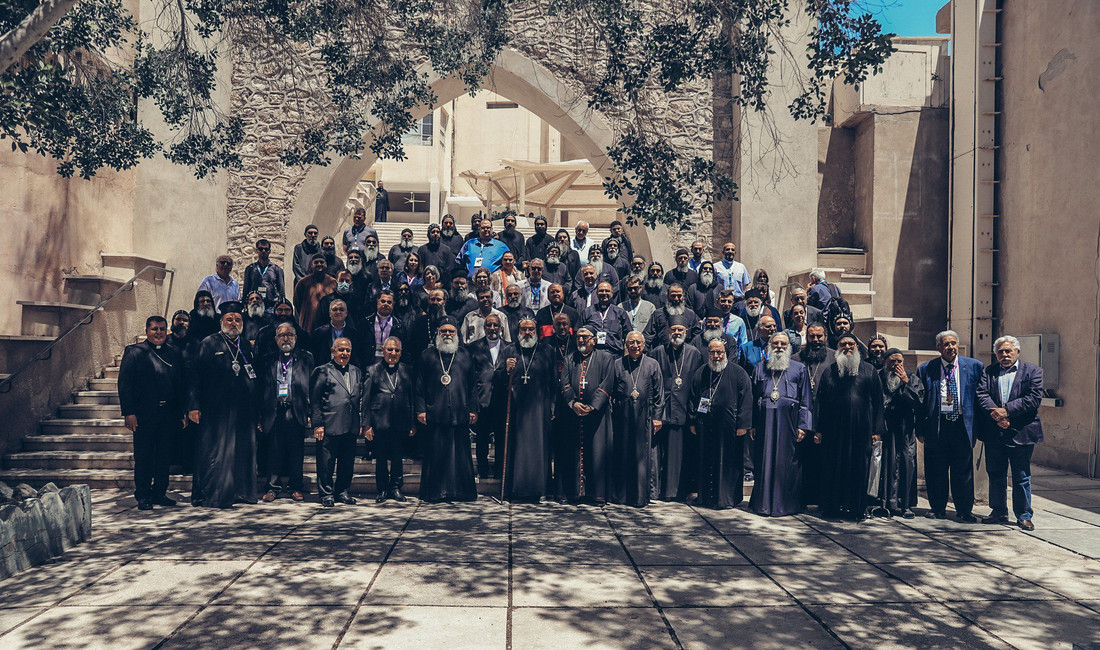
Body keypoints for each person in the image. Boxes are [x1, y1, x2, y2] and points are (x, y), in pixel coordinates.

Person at [187, 301, 259, 508]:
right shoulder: (209, 343)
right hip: (215, 410)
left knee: (241, 451)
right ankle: (213, 494)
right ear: (221, 321)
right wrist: (193, 405)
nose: (234, 323)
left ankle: (240, 492)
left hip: (242, 410)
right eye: (230, 319)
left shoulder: (245, 345)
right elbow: (195, 377)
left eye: (237, 319)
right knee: (216, 452)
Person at [815, 332, 885, 520]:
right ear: (837, 348)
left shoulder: (869, 370)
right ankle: (831, 508)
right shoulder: (830, 371)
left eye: (851, 344)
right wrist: (818, 429)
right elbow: (820, 402)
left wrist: (877, 431)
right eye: (843, 344)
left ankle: (856, 509)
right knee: (833, 468)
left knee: (858, 469)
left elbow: (878, 402)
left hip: (861, 431)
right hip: (834, 431)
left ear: (857, 347)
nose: (847, 347)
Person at [977, 335, 1044, 530]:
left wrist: (1006, 412)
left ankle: (1024, 515)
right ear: (996, 353)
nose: (1004, 354)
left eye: (1008, 351)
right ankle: (998, 511)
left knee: (1021, 475)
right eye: (1000, 351)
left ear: (1017, 352)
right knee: (995, 473)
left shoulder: (1033, 371)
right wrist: (997, 416)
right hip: (994, 432)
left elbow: (1033, 398)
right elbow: (981, 394)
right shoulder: (989, 371)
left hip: (1021, 431)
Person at [119, 316, 186, 510]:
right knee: (144, 456)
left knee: (164, 456)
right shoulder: (134, 352)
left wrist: (181, 411)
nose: (159, 333)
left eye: (162, 329)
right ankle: (143, 495)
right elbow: (125, 385)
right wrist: (129, 413)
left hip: (168, 414)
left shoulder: (174, 353)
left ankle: (159, 493)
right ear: (147, 331)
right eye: (155, 329)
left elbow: (179, 384)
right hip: (144, 414)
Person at [917, 330, 983, 522]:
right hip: (938, 426)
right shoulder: (926, 369)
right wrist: (919, 429)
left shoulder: (974, 367)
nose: (950, 347)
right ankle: (937, 508)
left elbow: (982, 399)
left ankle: (964, 510)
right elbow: (921, 402)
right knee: (936, 469)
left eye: (953, 343)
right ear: (938, 348)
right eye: (946, 344)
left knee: (963, 471)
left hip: (962, 426)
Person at [415, 318, 480, 502]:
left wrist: (473, 409)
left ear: (457, 333)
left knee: (460, 456)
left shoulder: (465, 355)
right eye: (443, 331)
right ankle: (435, 493)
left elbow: (472, 385)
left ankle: (461, 492)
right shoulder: (427, 355)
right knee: (436, 454)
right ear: (438, 333)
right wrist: (420, 410)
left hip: (460, 412)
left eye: (451, 331)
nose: (447, 335)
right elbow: (418, 385)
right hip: (435, 412)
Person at [749, 332, 813, 516]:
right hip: (764, 423)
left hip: (790, 423)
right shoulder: (760, 368)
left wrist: (803, 426)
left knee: (788, 463)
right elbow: (754, 399)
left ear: (789, 347)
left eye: (783, 344)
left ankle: (786, 504)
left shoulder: (799, 368)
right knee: (764, 460)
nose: (779, 347)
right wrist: (753, 424)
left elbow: (806, 400)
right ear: (769, 346)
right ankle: (763, 504)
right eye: (775, 343)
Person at [689, 339, 753, 509]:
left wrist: (743, 425)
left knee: (727, 463)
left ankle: (726, 499)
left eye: (719, 352)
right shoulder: (702, 372)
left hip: (729, 427)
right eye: (712, 352)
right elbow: (693, 398)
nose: (716, 356)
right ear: (707, 353)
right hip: (705, 425)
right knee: (706, 460)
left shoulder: (738, 373)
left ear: (725, 353)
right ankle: (705, 497)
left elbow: (746, 399)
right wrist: (693, 421)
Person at [558, 326, 616, 504]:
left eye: (585, 337)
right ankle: (573, 492)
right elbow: (565, 384)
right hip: (573, 415)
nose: (581, 340)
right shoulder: (570, 359)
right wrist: (573, 403)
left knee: (597, 452)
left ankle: (596, 492)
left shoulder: (606, 358)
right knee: (572, 453)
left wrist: (592, 407)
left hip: (597, 416)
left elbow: (607, 383)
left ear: (594, 340)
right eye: (578, 337)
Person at [501, 318, 556, 501]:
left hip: (540, 409)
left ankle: (539, 489)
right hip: (516, 407)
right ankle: (515, 490)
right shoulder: (510, 350)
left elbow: (553, 381)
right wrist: (505, 370)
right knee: (516, 449)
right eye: (524, 329)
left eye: (531, 329)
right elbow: (499, 381)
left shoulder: (547, 351)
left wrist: (553, 406)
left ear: (536, 331)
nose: (527, 333)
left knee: (539, 448)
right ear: (518, 331)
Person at [650, 318, 705, 500]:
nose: (677, 333)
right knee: (659, 454)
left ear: (687, 332)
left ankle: (677, 492)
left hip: (684, 410)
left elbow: (698, 386)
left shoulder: (694, 354)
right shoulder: (658, 352)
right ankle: (657, 490)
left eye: (680, 329)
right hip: (662, 410)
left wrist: (694, 415)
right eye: (673, 329)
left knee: (679, 455)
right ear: (667, 331)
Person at [258, 323, 313, 502]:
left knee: (296, 450)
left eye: (290, 335)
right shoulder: (267, 359)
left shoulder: (306, 357)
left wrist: (311, 412)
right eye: (282, 335)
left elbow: (312, 386)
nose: (286, 338)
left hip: (295, 408)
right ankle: (273, 487)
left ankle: (295, 487)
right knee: (273, 449)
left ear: (296, 337)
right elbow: (260, 389)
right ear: (276, 339)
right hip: (273, 409)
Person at [610, 331, 664, 507]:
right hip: (622, 416)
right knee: (622, 454)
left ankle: (640, 496)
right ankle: (621, 496)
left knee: (642, 457)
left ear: (644, 345)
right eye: (631, 343)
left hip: (644, 416)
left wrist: (657, 418)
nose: (635, 346)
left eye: (638, 343)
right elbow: (610, 390)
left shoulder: (652, 364)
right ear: (626, 345)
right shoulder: (618, 364)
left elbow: (659, 394)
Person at [310, 337, 363, 507]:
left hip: (350, 424)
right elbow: (315, 399)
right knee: (326, 461)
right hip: (329, 423)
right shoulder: (322, 370)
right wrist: (317, 424)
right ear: (333, 351)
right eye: (341, 350)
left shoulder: (356, 371)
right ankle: (326, 493)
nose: (345, 353)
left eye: (348, 350)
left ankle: (342, 491)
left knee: (347, 461)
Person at [362, 336, 416, 503]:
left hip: (400, 420)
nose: (393, 353)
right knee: (381, 458)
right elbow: (366, 399)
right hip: (380, 421)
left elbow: (412, 397)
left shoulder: (408, 370)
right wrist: (366, 424)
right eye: (390, 349)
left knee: (398, 457)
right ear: (383, 350)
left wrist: (413, 422)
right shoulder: (373, 370)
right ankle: (383, 489)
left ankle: (396, 487)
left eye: (396, 350)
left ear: (401, 352)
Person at [880, 347, 923, 518]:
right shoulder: (878, 376)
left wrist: (906, 382)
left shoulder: (911, 377)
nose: (896, 365)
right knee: (886, 465)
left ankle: (905, 505)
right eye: (892, 361)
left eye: (899, 362)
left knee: (907, 464)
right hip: (886, 428)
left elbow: (919, 401)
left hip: (906, 429)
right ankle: (886, 503)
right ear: (885, 362)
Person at [468, 314, 512, 479]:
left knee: (501, 437)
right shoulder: (473, 347)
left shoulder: (510, 347)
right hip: (482, 398)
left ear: (501, 328)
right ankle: (483, 469)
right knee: (482, 438)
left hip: (502, 399)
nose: (492, 329)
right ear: (484, 327)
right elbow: (470, 377)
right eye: (489, 325)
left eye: (495, 325)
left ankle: (500, 469)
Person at [311, 298, 363, 367]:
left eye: (341, 309)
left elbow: (356, 357)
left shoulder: (354, 334)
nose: (338, 312)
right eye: (334, 310)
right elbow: (315, 356)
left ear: (346, 313)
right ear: (329, 313)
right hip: (325, 371)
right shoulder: (319, 333)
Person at [644, 283, 698, 349]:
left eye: (679, 296)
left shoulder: (691, 314)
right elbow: (648, 335)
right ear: (667, 296)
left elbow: (697, 337)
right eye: (673, 296)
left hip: (685, 354)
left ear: (683, 296)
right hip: (662, 353)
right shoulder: (657, 314)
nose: (676, 299)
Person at [293, 254, 337, 333]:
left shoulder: (333, 282)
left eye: (321, 262)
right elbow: (297, 303)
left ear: (326, 265)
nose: (319, 264)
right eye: (316, 262)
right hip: (308, 324)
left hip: (327, 324)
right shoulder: (303, 282)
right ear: (311, 265)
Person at [361, 291, 406, 365]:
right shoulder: (365, 323)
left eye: (389, 302)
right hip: (369, 363)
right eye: (383, 301)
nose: (385, 304)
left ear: (393, 304)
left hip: (390, 364)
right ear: (377, 302)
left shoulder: (399, 325)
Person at [242, 239, 285, 315]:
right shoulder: (250, 269)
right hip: (254, 306)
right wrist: (244, 305)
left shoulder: (276, 269)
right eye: (261, 249)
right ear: (256, 251)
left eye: (266, 249)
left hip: (271, 306)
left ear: (269, 251)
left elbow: (281, 291)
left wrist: (281, 306)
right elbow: (246, 289)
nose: (263, 251)